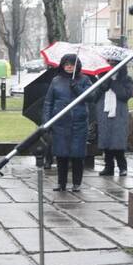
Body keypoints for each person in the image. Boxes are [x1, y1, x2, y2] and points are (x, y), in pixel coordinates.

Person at [42, 53, 92, 192]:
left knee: (77, 155)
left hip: (78, 123)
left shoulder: (84, 79)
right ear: (62, 65)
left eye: (72, 64)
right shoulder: (56, 81)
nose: (69, 67)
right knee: (61, 155)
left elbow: (91, 96)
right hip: (60, 123)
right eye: (67, 64)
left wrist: (77, 87)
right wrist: (47, 122)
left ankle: (77, 183)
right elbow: (48, 102)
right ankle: (61, 183)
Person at [96, 57, 133, 176]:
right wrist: (106, 82)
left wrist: (114, 82)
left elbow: (125, 95)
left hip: (119, 114)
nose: (111, 66)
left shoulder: (126, 79)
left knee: (118, 141)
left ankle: (122, 167)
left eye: (114, 63)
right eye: (109, 63)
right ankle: (109, 167)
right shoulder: (101, 78)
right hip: (104, 113)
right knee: (106, 141)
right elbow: (95, 95)